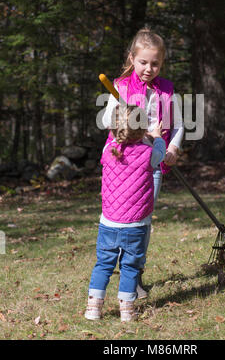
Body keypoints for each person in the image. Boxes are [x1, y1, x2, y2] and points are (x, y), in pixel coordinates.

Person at [100, 27, 184, 298]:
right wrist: (124, 118)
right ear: (132, 59)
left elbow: (179, 125)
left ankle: (133, 277)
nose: (149, 68)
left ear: (162, 63)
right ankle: (109, 272)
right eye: (143, 62)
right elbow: (106, 122)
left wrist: (172, 146)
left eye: (155, 63)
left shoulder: (166, 91)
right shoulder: (120, 87)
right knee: (117, 220)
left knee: (142, 222)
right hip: (121, 165)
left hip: (152, 167)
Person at [85, 105, 166, 322]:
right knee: (130, 266)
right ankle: (127, 310)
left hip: (109, 222)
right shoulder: (150, 153)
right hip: (136, 225)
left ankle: (93, 308)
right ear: (143, 131)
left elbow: (112, 138)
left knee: (103, 264)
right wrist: (156, 136)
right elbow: (161, 153)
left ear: (113, 129)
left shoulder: (107, 150)